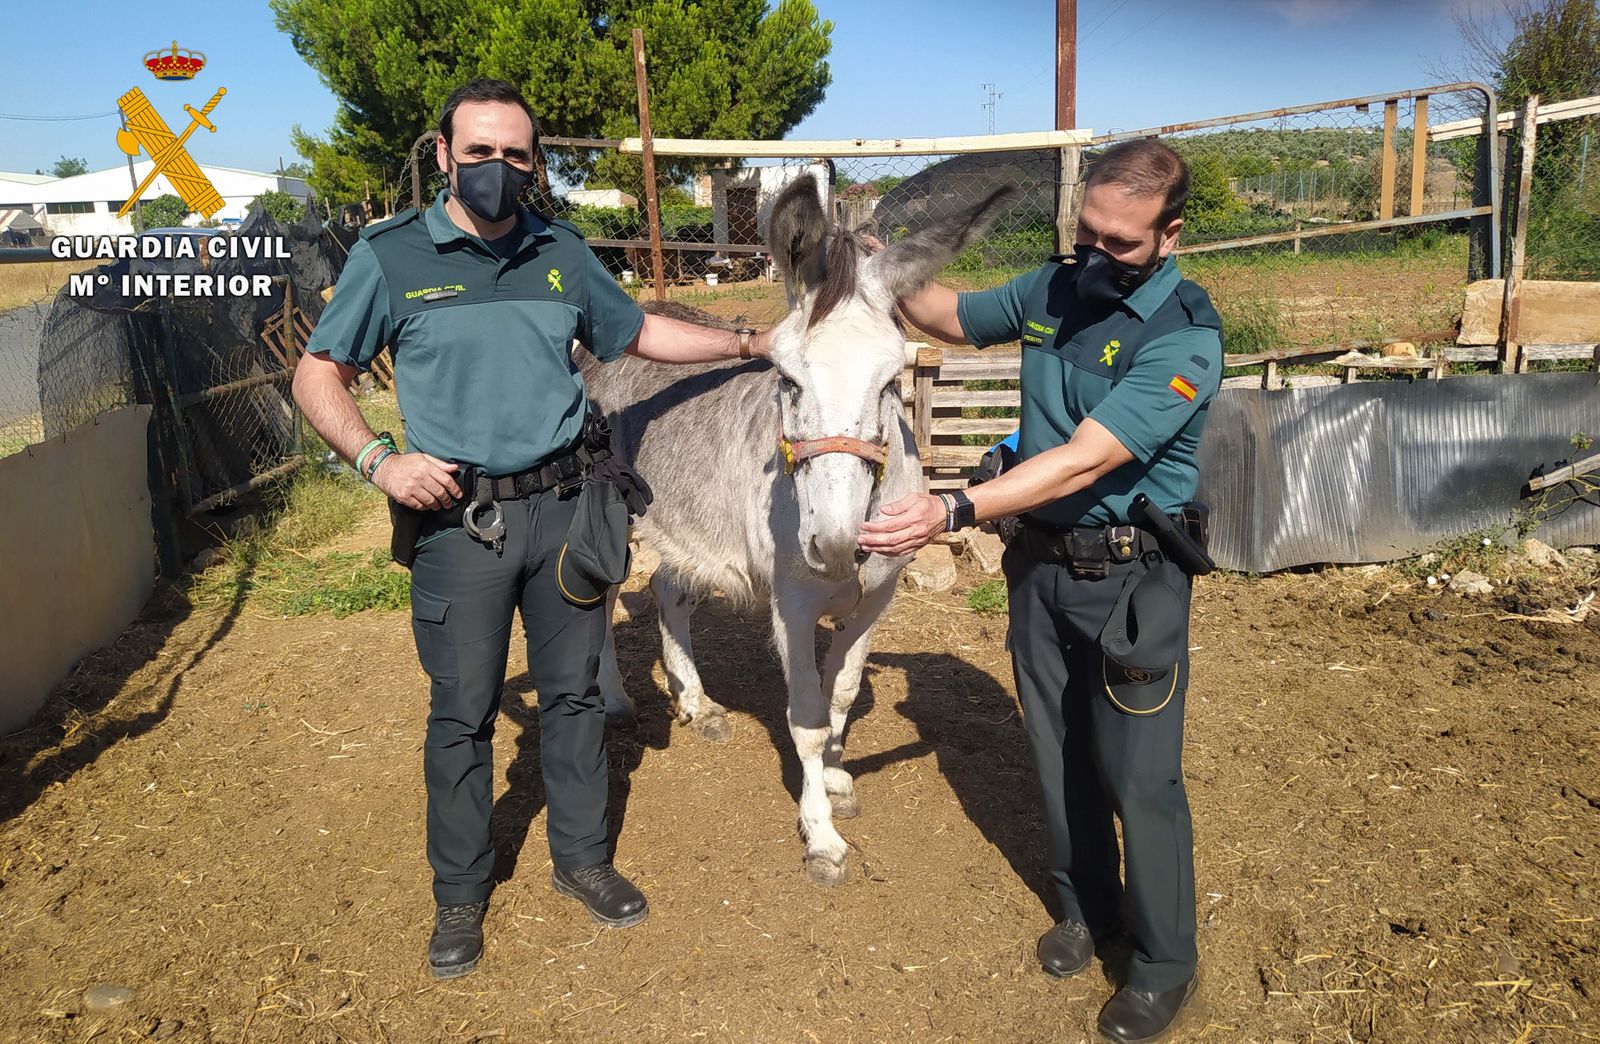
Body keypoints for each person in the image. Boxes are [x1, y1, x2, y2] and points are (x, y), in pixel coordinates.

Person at [293, 79, 771, 980]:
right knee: (463, 714)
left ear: (534, 162)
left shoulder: (561, 250)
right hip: (456, 525)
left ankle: (582, 861)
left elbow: (639, 337)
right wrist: (379, 462)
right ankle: (460, 895)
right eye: (478, 153)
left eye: (515, 154)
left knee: (577, 698)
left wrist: (751, 345)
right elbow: (318, 375)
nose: (497, 170)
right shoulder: (391, 255)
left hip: (564, 513)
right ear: (443, 156)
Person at [858, 139, 1222, 1043]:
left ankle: (1163, 961)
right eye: (1086, 233)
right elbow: (948, 316)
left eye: (1122, 244)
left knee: (1141, 778)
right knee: (1057, 756)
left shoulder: (1185, 334)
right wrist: (874, 261)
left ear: (1169, 235)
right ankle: (1085, 910)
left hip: (1134, 579)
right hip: (1042, 569)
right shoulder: (1054, 286)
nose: (1096, 255)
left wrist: (955, 510)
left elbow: (1082, 459)